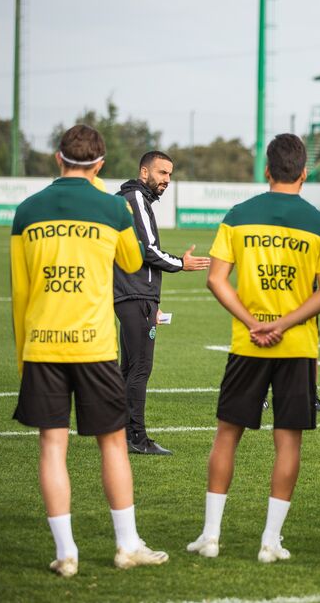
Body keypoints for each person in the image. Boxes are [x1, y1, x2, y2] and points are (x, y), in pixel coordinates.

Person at [11, 124, 168, 576]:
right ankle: (126, 545)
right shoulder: (112, 207)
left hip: (41, 346)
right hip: (94, 345)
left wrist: (22, 356)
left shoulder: (27, 211)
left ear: (57, 159)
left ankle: (66, 553)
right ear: (99, 165)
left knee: (52, 447)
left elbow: (20, 294)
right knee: (113, 444)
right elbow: (134, 262)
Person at [187, 134, 320, 563]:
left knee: (227, 435)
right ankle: (270, 542)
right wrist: (285, 323)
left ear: (267, 171)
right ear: (304, 174)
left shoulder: (238, 216)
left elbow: (216, 279)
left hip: (247, 344)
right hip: (298, 346)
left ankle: (211, 536)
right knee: (287, 442)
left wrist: (254, 323)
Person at [114, 151, 210, 456]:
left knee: (129, 369)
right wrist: (182, 263)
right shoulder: (135, 199)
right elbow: (148, 251)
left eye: (170, 174)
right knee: (139, 368)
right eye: (161, 173)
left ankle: (120, 434)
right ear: (144, 173)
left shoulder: (131, 198)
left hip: (134, 295)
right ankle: (137, 439)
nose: (166, 180)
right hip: (135, 294)